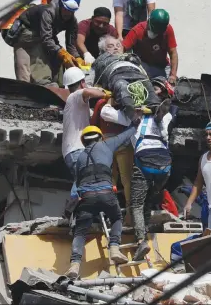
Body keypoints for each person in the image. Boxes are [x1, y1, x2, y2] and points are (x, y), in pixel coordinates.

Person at [100, 76, 177, 260]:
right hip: (165, 165)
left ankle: (141, 240)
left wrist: (115, 97)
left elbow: (105, 113)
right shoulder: (166, 116)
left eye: (157, 88)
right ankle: (144, 237)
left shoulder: (134, 117)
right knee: (147, 203)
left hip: (145, 160)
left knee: (136, 204)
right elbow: (165, 115)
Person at [65, 122, 140, 279]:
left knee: (80, 232)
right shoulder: (106, 145)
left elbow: (77, 184)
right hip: (107, 193)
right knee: (117, 218)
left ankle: (74, 264)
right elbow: (125, 136)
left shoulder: (80, 158)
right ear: (100, 137)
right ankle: (114, 247)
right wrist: (136, 122)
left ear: (84, 141)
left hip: (86, 198)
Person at [62, 67, 112, 210]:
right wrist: (106, 93)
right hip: (76, 149)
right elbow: (88, 92)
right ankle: (72, 207)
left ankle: (77, 209)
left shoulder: (75, 105)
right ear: (82, 83)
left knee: (83, 179)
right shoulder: (76, 96)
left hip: (72, 151)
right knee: (85, 177)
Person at [13, 0, 84, 86]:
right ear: (61, 3)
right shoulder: (48, 12)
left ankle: (59, 84)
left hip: (44, 35)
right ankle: (43, 83)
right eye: (66, 9)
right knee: (28, 66)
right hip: (25, 33)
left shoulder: (72, 21)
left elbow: (70, 45)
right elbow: (46, 39)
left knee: (58, 55)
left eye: (72, 11)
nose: (68, 13)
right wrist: (61, 53)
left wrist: (77, 58)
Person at [93, 35, 169, 123]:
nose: (116, 48)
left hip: (136, 73)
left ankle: (157, 108)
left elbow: (141, 66)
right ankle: (132, 113)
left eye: (118, 45)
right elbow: (94, 72)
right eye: (110, 46)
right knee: (122, 86)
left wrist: (131, 58)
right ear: (103, 50)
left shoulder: (130, 56)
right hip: (117, 74)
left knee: (147, 85)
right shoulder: (102, 58)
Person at [91, 96, 134, 226]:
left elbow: (93, 123)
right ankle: (129, 213)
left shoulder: (102, 103)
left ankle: (112, 212)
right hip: (123, 144)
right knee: (127, 180)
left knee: (111, 180)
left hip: (107, 145)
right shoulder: (127, 102)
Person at [123, 9, 178, 82]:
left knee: (168, 87)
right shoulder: (138, 30)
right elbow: (123, 47)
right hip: (143, 66)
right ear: (148, 22)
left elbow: (173, 53)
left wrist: (173, 75)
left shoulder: (168, 30)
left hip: (161, 67)